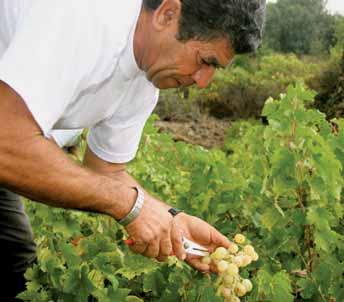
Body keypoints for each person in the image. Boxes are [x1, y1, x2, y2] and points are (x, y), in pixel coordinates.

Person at [0, 0, 266, 300]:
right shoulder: (85, 16)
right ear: (167, 14)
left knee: (17, 274)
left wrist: (172, 220)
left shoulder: (146, 78)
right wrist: (130, 206)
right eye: (206, 61)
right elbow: (5, 144)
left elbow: (106, 171)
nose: (203, 82)